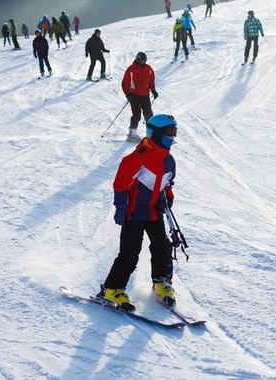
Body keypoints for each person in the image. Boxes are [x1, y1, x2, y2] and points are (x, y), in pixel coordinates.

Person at [96, 114, 179, 311]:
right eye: (169, 132)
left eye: (174, 132)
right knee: (130, 253)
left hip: (153, 211)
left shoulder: (168, 160)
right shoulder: (138, 157)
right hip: (134, 212)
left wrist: (169, 196)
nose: (172, 136)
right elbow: (121, 183)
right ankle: (111, 288)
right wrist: (121, 207)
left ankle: (161, 280)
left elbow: (167, 182)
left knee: (162, 246)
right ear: (156, 133)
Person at [121, 52, 158, 142]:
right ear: (137, 60)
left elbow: (151, 81)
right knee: (136, 115)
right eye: (141, 61)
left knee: (149, 114)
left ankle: (150, 133)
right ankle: (132, 133)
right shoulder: (131, 70)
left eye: (144, 61)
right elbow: (124, 84)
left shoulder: (148, 69)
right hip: (134, 96)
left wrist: (153, 90)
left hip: (145, 95)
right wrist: (128, 94)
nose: (143, 62)